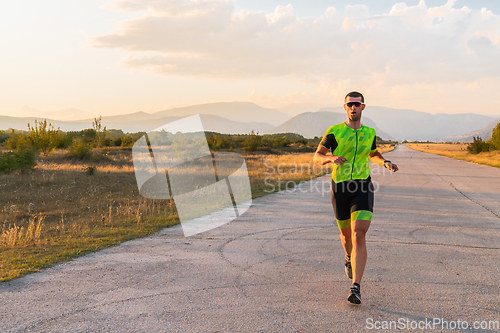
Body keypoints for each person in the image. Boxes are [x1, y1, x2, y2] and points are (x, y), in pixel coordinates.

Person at [313, 91, 398, 304]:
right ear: (345, 107)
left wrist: (385, 162)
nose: (353, 108)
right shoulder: (335, 131)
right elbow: (317, 156)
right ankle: (348, 257)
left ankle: (356, 287)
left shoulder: (370, 133)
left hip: (362, 186)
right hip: (340, 188)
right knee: (345, 236)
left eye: (356, 104)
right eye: (349, 104)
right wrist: (330, 158)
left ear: (363, 107)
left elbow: (373, 155)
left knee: (358, 234)